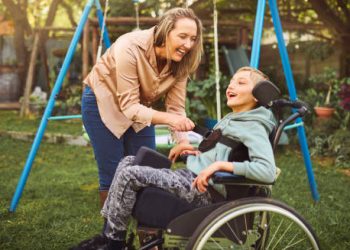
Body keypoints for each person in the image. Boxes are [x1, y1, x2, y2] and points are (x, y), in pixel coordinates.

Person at [100, 67, 277, 249]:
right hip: (193, 177)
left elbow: (267, 172)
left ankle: (114, 243)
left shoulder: (254, 126)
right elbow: (228, 150)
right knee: (128, 161)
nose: (231, 86)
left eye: (241, 83)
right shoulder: (236, 118)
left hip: (206, 192)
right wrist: (193, 150)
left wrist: (219, 166)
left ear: (257, 95)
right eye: (232, 81)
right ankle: (106, 233)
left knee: (130, 175)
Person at [81, 8, 203, 210]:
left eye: (193, 39)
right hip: (102, 102)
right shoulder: (129, 45)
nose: (188, 45)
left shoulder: (183, 62)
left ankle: (147, 229)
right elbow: (128, 106)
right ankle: (112, 231)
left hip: (140, 107)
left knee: (148, 168)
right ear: (165, 32)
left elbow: (176, 108)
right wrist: (170, 120)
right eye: (183, 36)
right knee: (113, 171)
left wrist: (182, 142)